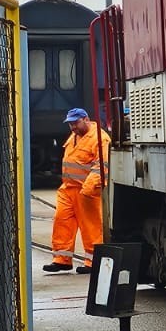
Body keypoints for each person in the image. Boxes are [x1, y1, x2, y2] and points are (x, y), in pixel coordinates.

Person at [43, 108, 109, 275]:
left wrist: (89, 187)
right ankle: (62, 260)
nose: (72, 127)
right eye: (70, 123)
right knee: (62, 221)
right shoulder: (75, 135)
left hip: (86, 190)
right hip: (68, 189)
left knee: (91, 227)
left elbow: (102, 165)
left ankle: (93, 262)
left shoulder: (100, 138)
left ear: (86, 119)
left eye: (75, 122)